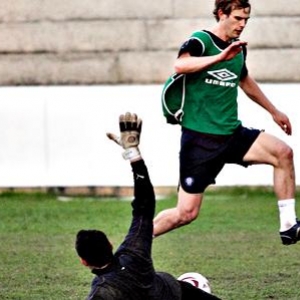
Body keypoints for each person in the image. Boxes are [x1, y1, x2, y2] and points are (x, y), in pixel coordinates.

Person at [156, 0, 300, 245]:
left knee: (283, 153)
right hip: (200, 140)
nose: (242, 24)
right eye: (237, 18)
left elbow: (244, 80)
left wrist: (273, 111)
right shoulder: (200, 41)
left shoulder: (238, 48)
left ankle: (289, 226)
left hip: (232, 134)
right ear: (222, 14)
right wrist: (219, 57)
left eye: (246, 19)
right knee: (186, 213)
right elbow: (180, 65)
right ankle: (136, 242)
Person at [75, 112, 221, 300]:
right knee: (187, 283)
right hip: (175, 293)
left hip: (172, 290)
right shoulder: (133, 250)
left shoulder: (101, 292)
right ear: (110, 244)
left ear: (84, 262)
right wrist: (133, 154)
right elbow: (145, 203)